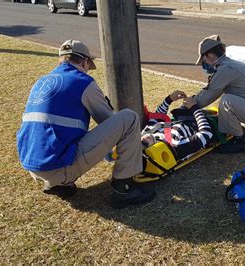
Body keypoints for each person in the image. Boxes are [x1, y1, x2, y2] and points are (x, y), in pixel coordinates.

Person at [16, 40, 155, 208]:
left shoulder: (41, 82)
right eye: (89, 65)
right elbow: (110, 122)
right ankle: (123, 190)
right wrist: (140, 143)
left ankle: (59, 185)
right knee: (129, 118)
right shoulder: (82, 81)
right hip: (57, 167)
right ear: (84, 61)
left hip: (33, 166)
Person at [141, 90, 214, 160]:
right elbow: (206, 134)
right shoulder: (176, 146)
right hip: (204, 124)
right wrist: (194, 108)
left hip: (182, 116)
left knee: (196, 97)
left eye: (139, 140)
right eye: (144, 143)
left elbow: (158, 116)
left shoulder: (148, 133)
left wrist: (169, 99)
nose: (143, 139)